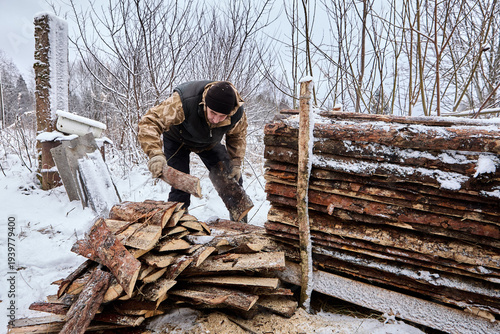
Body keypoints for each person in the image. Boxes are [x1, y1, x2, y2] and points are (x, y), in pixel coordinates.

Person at [138, 80, 247, 218]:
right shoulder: (184, 101)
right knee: (181, 187)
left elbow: (238, 137)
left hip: (209, 143)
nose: (216, 119)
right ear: (205, 104)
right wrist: (155, 154)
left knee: (231, 178)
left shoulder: (236, 113)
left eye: (222, 116)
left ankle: (241, 223)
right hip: (178, 139)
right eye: (213, 113)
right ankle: (178, 223)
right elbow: (150, 121)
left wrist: (236, 162)